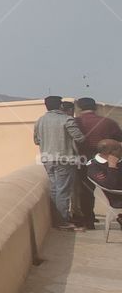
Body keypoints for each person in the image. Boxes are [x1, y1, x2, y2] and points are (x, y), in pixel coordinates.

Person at [34, 95, 85, 230]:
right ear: (60, 106)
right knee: (63, 191)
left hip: (47, 159)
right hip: (64, 159)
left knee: (55, 190)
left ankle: (56, 220)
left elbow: (36, 140)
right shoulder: (66, 119)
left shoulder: (40, 121)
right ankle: (62, 221)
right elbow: (79, 138)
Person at [72, 97, 122, 229]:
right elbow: (119, 141)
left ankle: (88, 220)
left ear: (79, 108)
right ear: (95, 108)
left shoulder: (75, 122)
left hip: (83, 160)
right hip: (108, 160)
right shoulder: (108, 123)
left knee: (85, 191)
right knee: (114, 185)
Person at [86, 138, 122, 230]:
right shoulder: (94, 167)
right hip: (117, 197)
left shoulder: (119, 159)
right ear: (111, 153)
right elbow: (110, 185)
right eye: (119, 148)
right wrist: (112, 166)